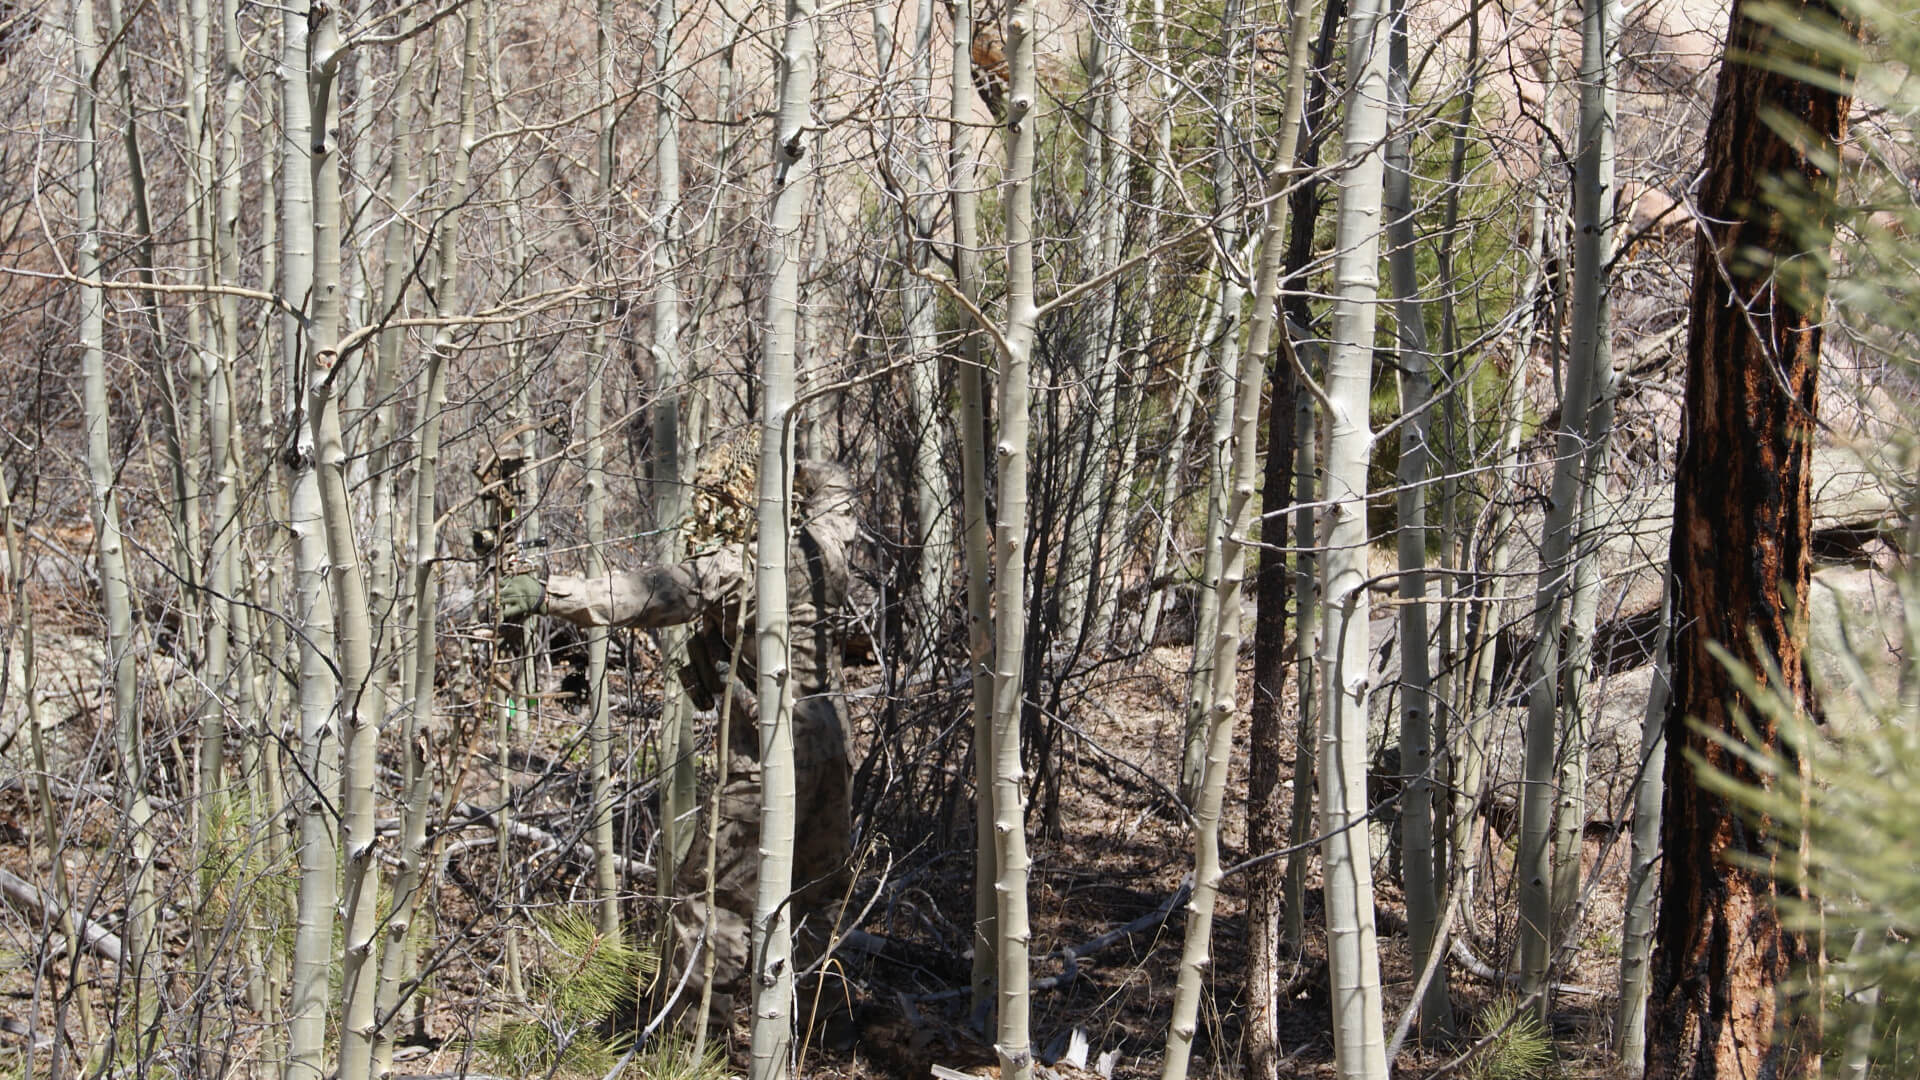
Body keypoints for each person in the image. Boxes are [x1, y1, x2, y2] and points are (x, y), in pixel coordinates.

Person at [498, 452, 856, 1033]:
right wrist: (796, 464)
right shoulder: (826, 547)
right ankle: (818, 1026)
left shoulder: (738, 565)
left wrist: (546, 594)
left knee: (714, 901)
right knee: (819, 888)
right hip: (831, 743)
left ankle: (697, 1042)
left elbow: (638, 595)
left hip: (769, 753)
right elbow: (837, 488)